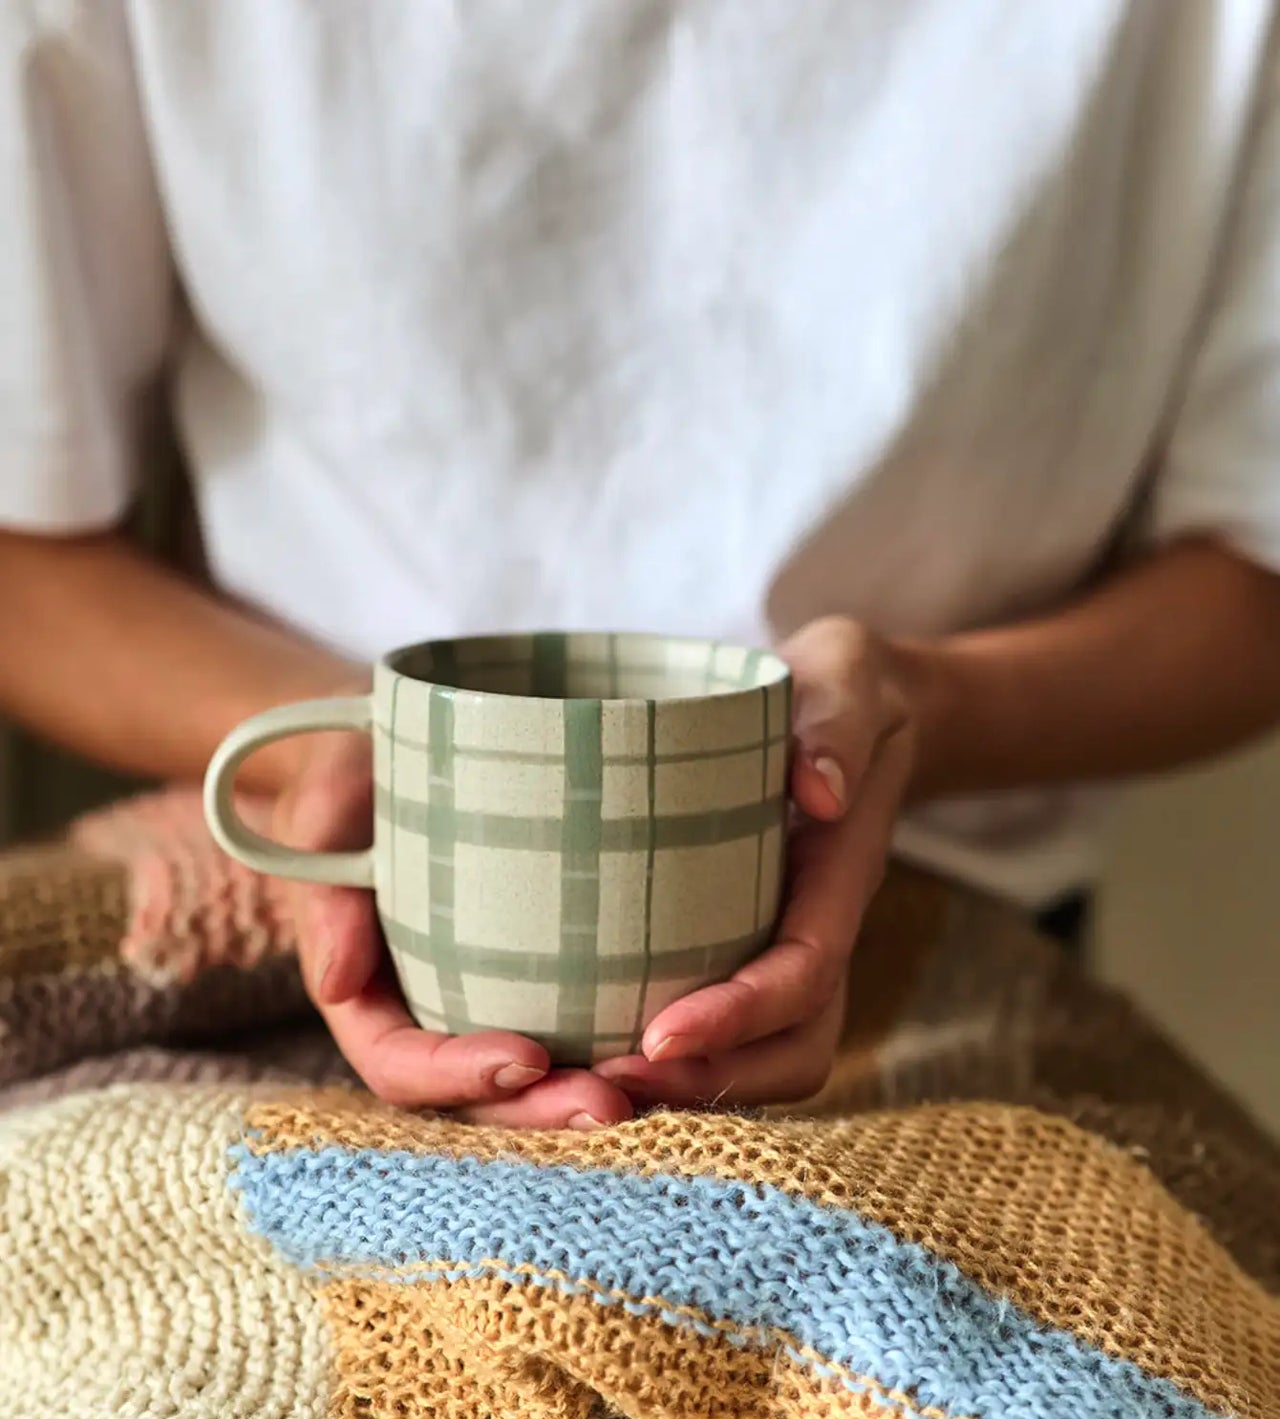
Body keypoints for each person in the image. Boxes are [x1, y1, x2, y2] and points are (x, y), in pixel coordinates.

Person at [3, 2, 1280, 1130]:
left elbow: (1254, 575)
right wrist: (338, 750)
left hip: (956, 934)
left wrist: (919, 710)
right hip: (286, 894)